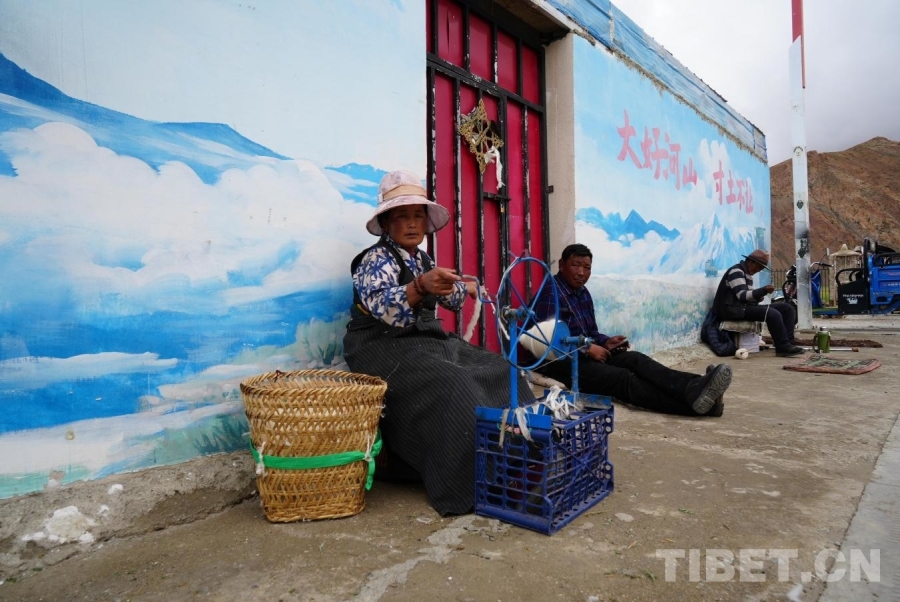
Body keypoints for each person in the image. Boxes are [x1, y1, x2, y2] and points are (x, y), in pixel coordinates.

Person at [342, 170, 534, 516]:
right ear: (385, 223)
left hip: (424, 341)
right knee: (455, 382)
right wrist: (420, 286)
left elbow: (449, 296)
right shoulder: (375, 260)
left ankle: (518, 460)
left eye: (418, 215)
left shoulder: (422, 259)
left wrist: (464, 287)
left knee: (500, 368)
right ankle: (469, 484)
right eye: (402, 216)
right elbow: (382, 307)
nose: (412, 223)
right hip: (380, 345)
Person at [531, 244, 732, 417]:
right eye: (576, 265)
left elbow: (591, 331)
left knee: (636, 359)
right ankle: (701, 407)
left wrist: (605, 341)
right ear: (561, 265)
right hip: (560, 364)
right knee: (622, 378)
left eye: (587, 267)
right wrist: (587, 348)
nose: (581, 272)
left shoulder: (583, 293)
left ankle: (694, 386)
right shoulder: (550, 293)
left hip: (584, 354)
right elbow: (547, 341)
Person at [713, 249, 803, 357]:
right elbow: (742, 295)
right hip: (732, 309)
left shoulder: (746, 273)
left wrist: (758, 297)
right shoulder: (736, 271)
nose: (758, 270)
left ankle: (788, 343)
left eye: (760, 269)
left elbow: (749, 296)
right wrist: (763, 290)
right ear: (751, 262)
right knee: (772, 314)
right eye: (758, 267)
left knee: (787, 308)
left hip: (741, 307)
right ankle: (782, 347)